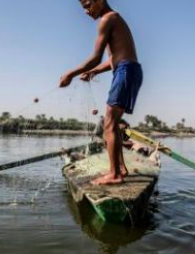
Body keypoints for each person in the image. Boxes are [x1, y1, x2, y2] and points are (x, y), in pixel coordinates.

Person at [60, 0, 143, 185]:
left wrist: (70, 74)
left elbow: (96, 57)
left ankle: (115, 175)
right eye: (83, 8)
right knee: (110, 124)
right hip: (127, 70)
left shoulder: (108, 18)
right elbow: (113, 58)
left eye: (88, 5)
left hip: (126, 71)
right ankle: (120, 168)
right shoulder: (112, 19)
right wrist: (94, 71)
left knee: (109, 125)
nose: (86, 11)